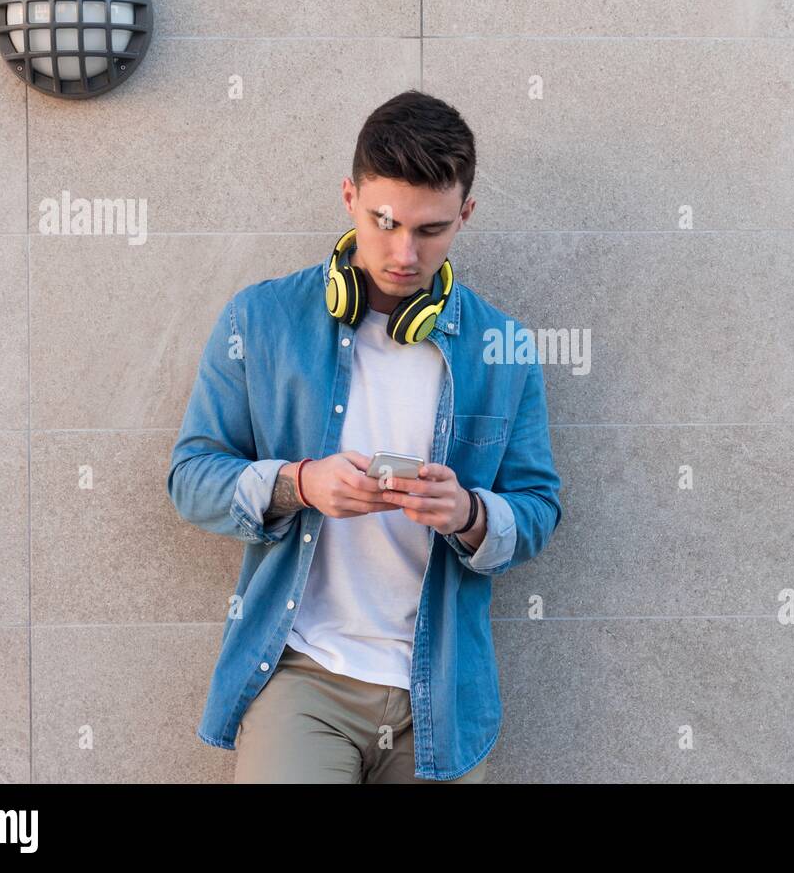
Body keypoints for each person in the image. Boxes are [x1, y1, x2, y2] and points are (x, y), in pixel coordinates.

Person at [166, 89, 563, 783]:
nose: (404, 252)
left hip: (441, 691)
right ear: (350, 197)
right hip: (302, 674)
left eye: (431, 229)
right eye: (385, 222)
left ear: (465, 216)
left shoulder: (503, 346)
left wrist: (470, 515)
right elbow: (191, 478)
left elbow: (537, 509)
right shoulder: (259, 319)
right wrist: (298, 483)